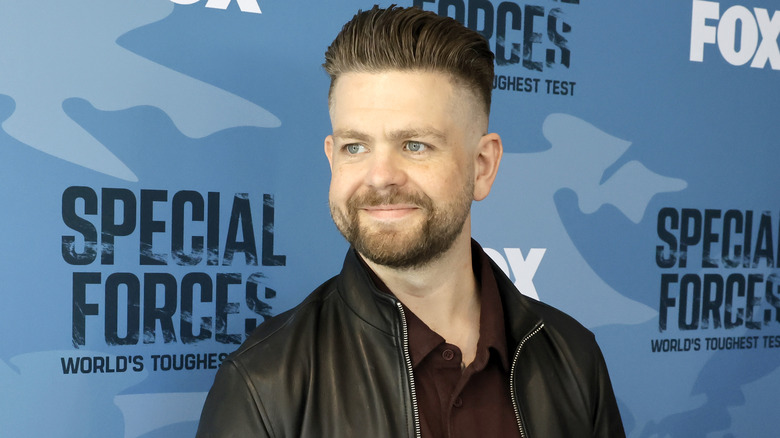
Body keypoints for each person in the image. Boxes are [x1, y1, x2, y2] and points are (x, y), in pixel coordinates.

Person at [197, 5, 625, 438]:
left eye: (415, 145)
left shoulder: (573, 356)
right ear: (331, 157)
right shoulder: (262, 384)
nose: (380, 175)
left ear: (482, 166)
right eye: (355, 147)